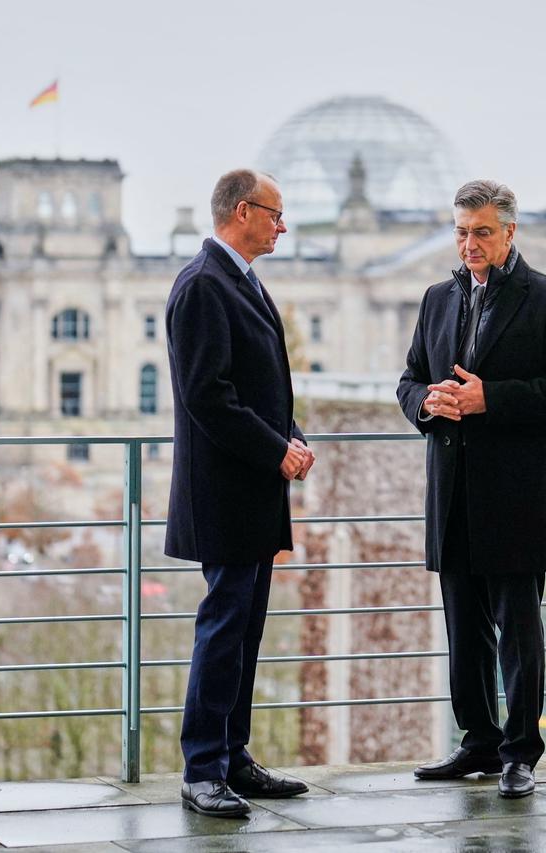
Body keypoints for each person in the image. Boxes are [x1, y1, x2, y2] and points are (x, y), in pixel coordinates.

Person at [397, 179, 546, 799]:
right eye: (461, 231)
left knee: (519, 627)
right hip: (451, 490)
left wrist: (489, 399)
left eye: (482, 231)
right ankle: (477, 740)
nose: (470, 243)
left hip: (516, 494)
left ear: (510, 232)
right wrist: (427, 401)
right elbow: (407, 380)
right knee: (465, 627)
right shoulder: (434, 299)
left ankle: (520, 751)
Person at [165, 168, 313, 818]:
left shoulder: (242, 280)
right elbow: (209, 396)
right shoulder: (203, 285)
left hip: (253, 487)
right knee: (223, 627)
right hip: (224, 491)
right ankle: (202, 768)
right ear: (244, 211)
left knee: (245, 629)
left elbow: (261, 385)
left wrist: (292, 433)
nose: (283, 226)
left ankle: (233, 756)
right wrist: (275, 446)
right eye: (277, 214)